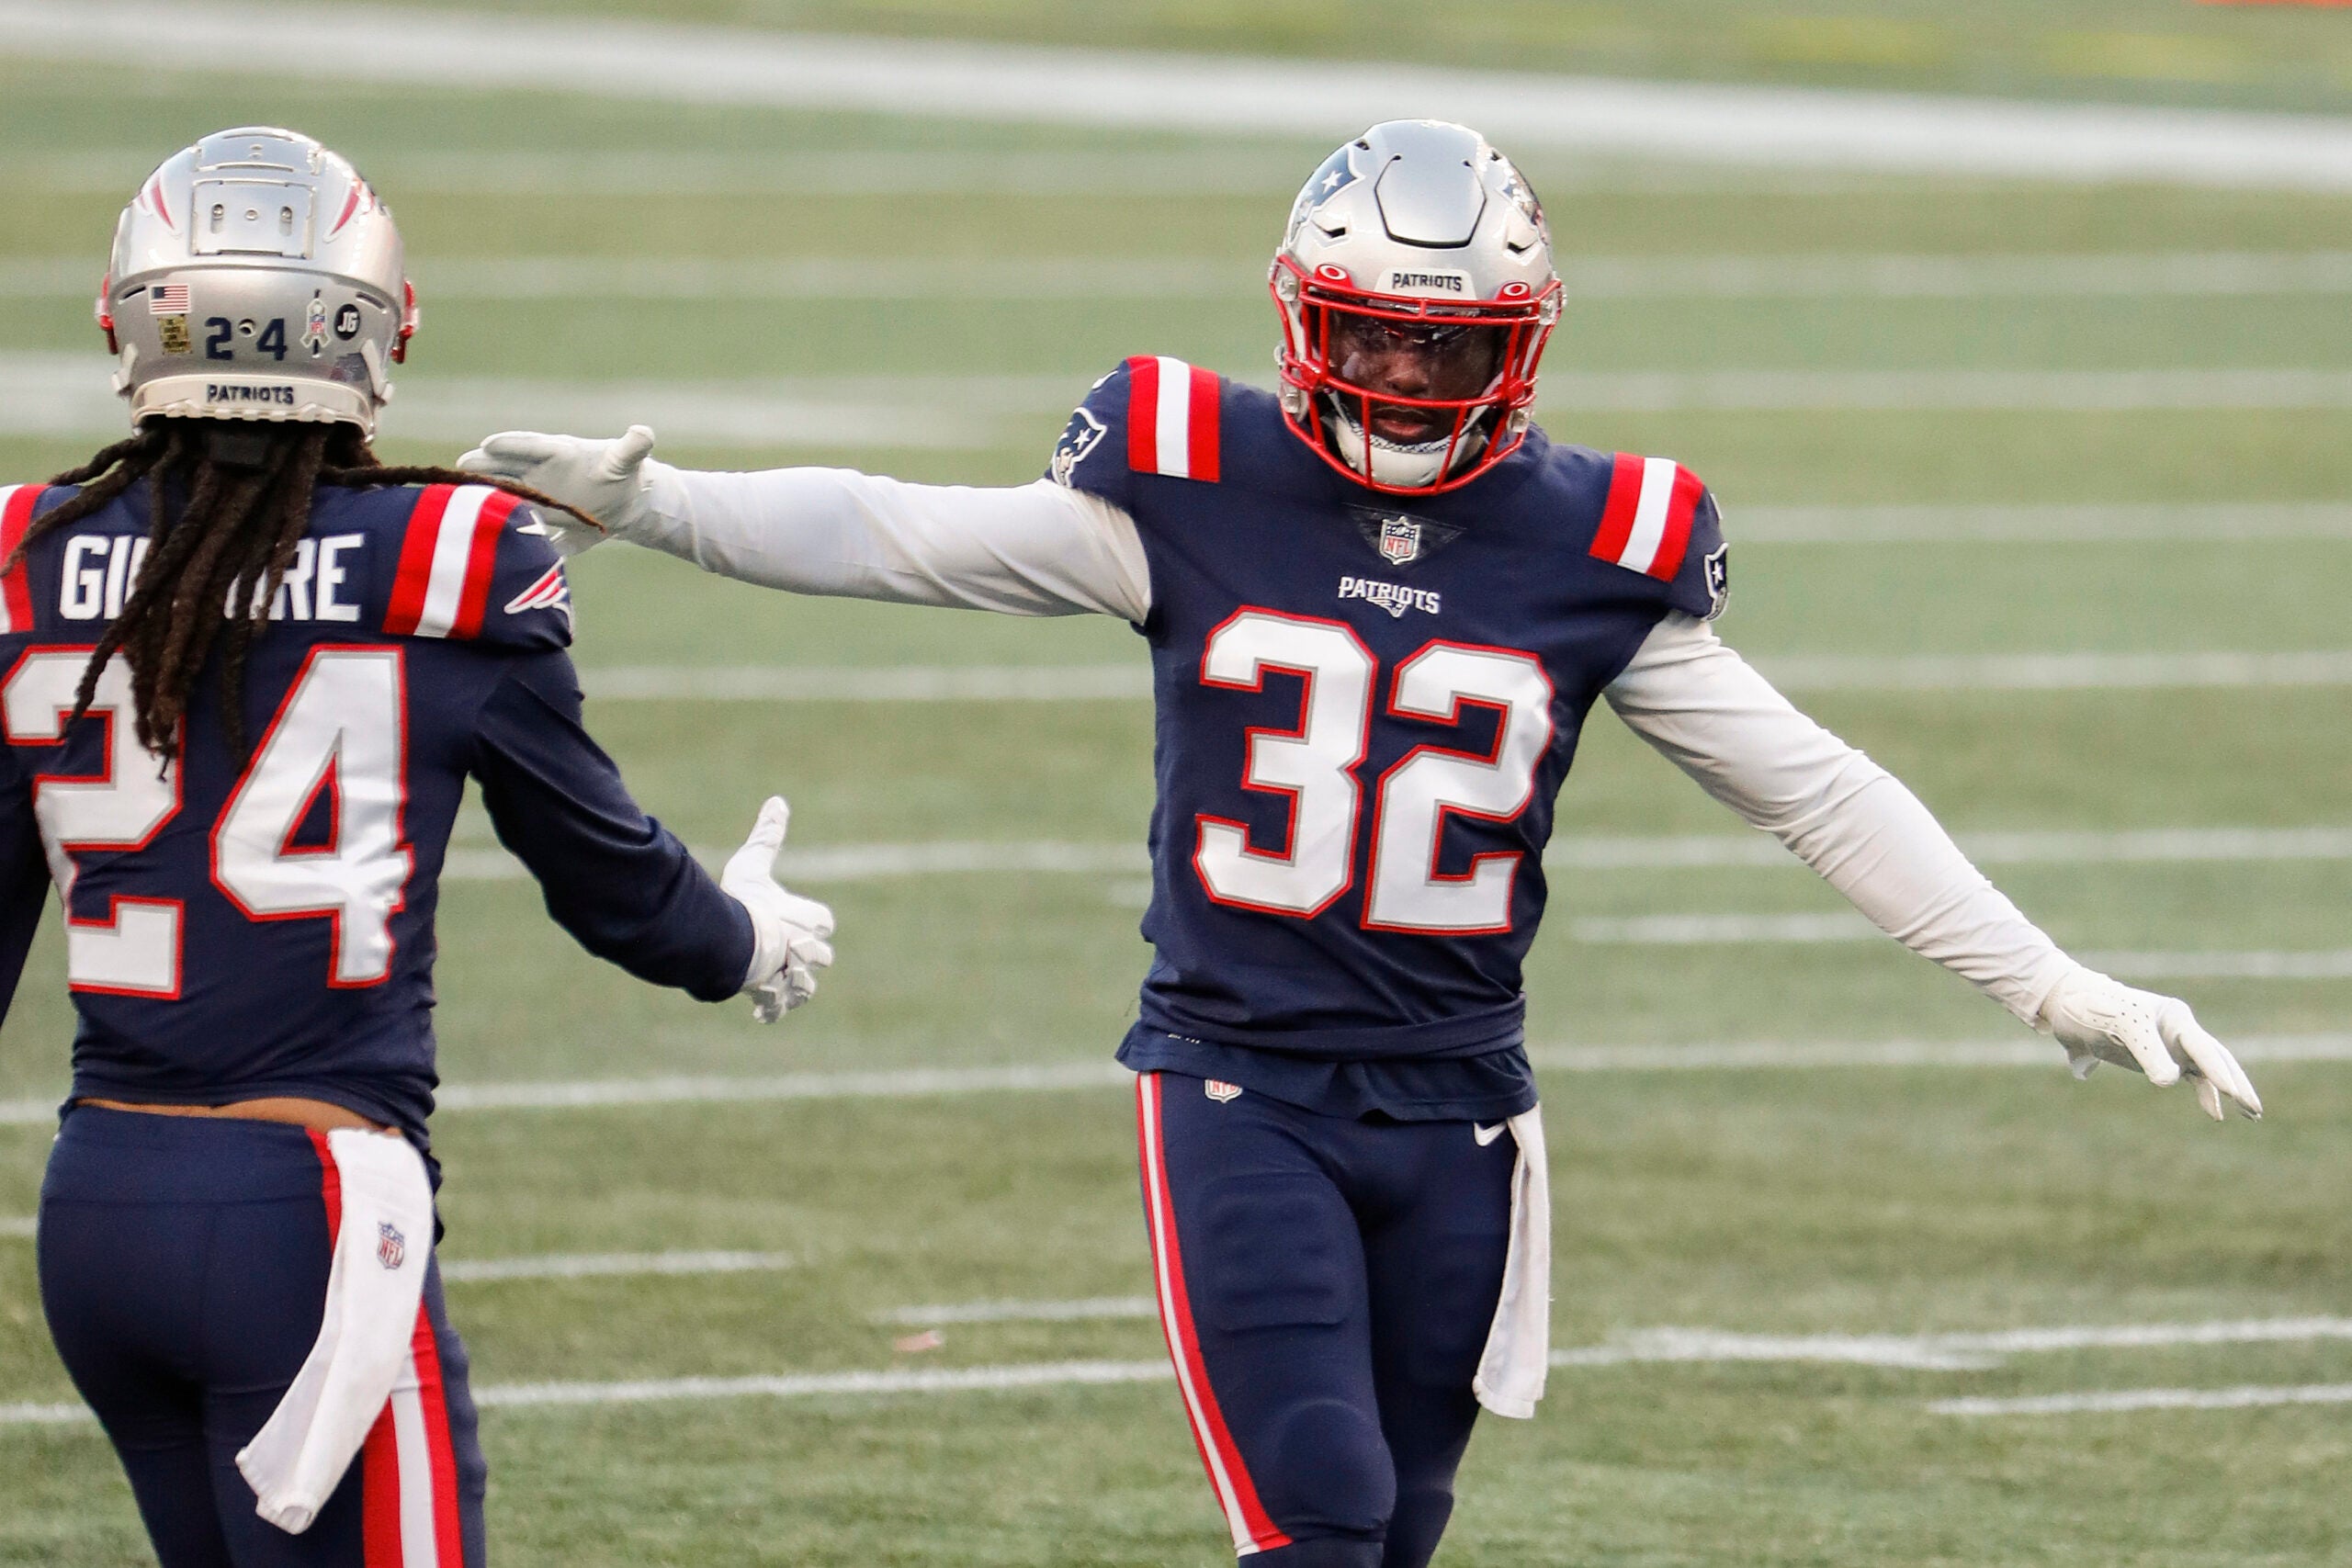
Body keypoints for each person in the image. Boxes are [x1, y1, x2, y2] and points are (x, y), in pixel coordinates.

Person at [463, 119, 2261, 1568]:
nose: (1402, 374)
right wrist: (670, 502)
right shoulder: (1189, 483)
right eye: (1373, 330)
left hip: (1464, 1111)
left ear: (1519, 345)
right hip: (1241, 1088)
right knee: (1316, 1516)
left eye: (1445, 341)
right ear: (1301, 316)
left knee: (1391, 1528)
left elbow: (1811, 784)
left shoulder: (1592, 542)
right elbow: (903, 533)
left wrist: (2042, 975)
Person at [14, 128, 836, 1568]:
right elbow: (615, 887)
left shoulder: (33, 549)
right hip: (307, 1212)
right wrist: (743, 935)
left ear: (136, 319)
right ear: (374, 328)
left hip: (98, 1213)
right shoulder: (454, 557)